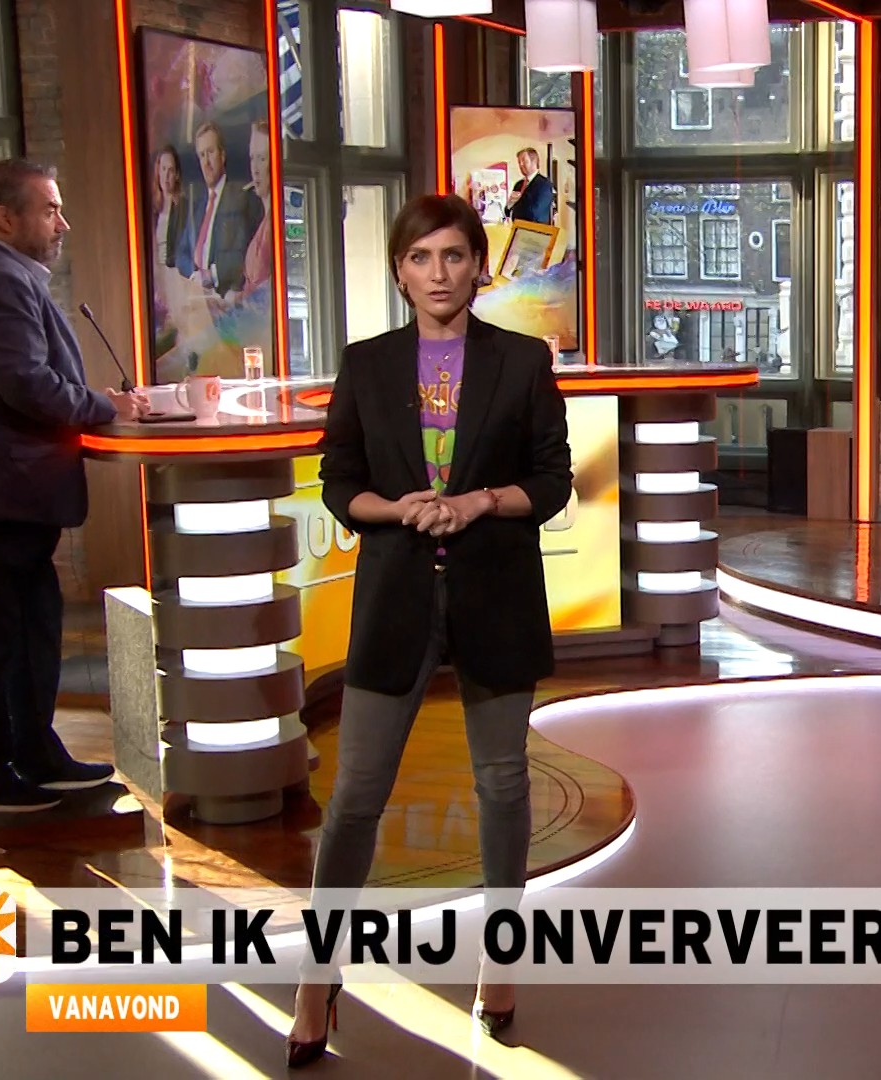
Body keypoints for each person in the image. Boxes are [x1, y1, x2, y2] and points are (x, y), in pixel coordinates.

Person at [286, 193, 572, 1067]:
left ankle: (500, 959)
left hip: (496, 592)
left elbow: (551, 481)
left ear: (478, 266)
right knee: (355, 794)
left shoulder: (521, 360)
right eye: (421, 258)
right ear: (399, 272)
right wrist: (397, 509)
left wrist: (479, 501)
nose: (438, 273)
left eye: (453, 256)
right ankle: (318, 976)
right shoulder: (367, 365)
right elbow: (340, 480)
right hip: (396, 595)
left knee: (503, 784)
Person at [0, 159, 148, 812]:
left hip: (12, 490)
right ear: (6, 218)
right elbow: (26, 383)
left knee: (30, 629)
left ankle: (35, 752)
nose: (62, 223)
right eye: (49, 210)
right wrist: (104, 407)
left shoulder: (2, 271)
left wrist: (94, 402)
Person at [173, 121, 264, 294]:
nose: (206, 162)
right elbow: (181, 254)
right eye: (202, 155)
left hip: (225, 296)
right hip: (197, 293)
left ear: (222, 155)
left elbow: (243, 254)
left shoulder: (241, 198)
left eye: (210, 152)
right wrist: (194, 275)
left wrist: (210, 275)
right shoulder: (198, 205)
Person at [238, 121, 275, 297]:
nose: (255, 169)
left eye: (262, 158)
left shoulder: (276, 223)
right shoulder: (263, 221)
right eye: (252, 158)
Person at [149, 147, 188, 273]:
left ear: (176, 175)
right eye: (163, 169)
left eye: (170, 170)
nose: (166, 175)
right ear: (158, 172)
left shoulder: (183, 208)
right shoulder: (151, 209)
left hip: (174, 273)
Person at [507, 147, 555, 224]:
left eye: (524, 161)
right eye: (519, 162)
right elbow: (507, 211)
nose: (521, 164)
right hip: (517, 228)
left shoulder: (544, 184)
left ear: (534, 161)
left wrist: (516, 207)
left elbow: (536, 212)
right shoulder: (518, 184)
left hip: (535, 229)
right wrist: (509, 203)